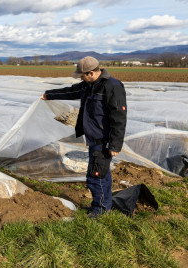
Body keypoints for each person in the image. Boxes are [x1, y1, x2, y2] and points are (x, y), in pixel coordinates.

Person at [41, 56, 127, 218]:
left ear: (92, 72)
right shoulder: (89, 85)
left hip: (104, 139)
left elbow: (119, 117)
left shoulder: (112, 86)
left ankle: (100, 210)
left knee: (95, 175)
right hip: (94, 137)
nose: (80, 78)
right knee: (102, 173)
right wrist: (49, 95)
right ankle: (104, 205)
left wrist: (115, 144)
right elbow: (70, 91)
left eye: (82, 75)